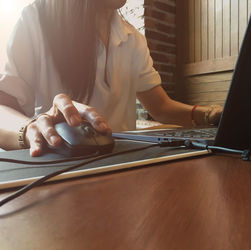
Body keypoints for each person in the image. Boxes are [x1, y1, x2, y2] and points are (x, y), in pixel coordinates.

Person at [0, 0, 222, 156]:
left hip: (123, 167)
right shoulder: (35, 20)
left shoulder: (133, 38)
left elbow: (161, 107)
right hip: (58, 171)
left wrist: (210, 114)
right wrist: (29, 130)